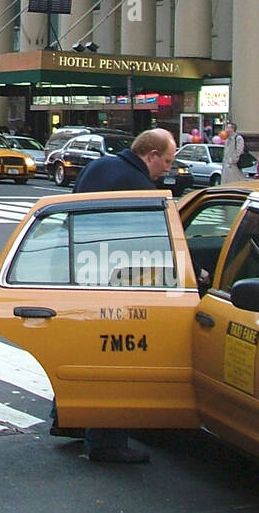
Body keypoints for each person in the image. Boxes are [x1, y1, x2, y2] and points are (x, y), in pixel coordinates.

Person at [68, 128, 178, 463]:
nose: (168, 170)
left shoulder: (98, 167)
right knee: (116, 357)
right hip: (119, 285)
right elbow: (151, 245)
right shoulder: (143, 189)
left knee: (83, 353)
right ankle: (106, 442)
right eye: (167, 162)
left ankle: (69, 421)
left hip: (78, 274)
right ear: (152, 155)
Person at [221, 120, 245, 184]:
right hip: (226, 165)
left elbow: (239, 150)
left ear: (232, 129)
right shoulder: (227, 139)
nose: (226, 130)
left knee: (234, 181)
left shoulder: (238, 138)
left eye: (228, 128)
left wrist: (233, 160)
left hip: (233, 166)